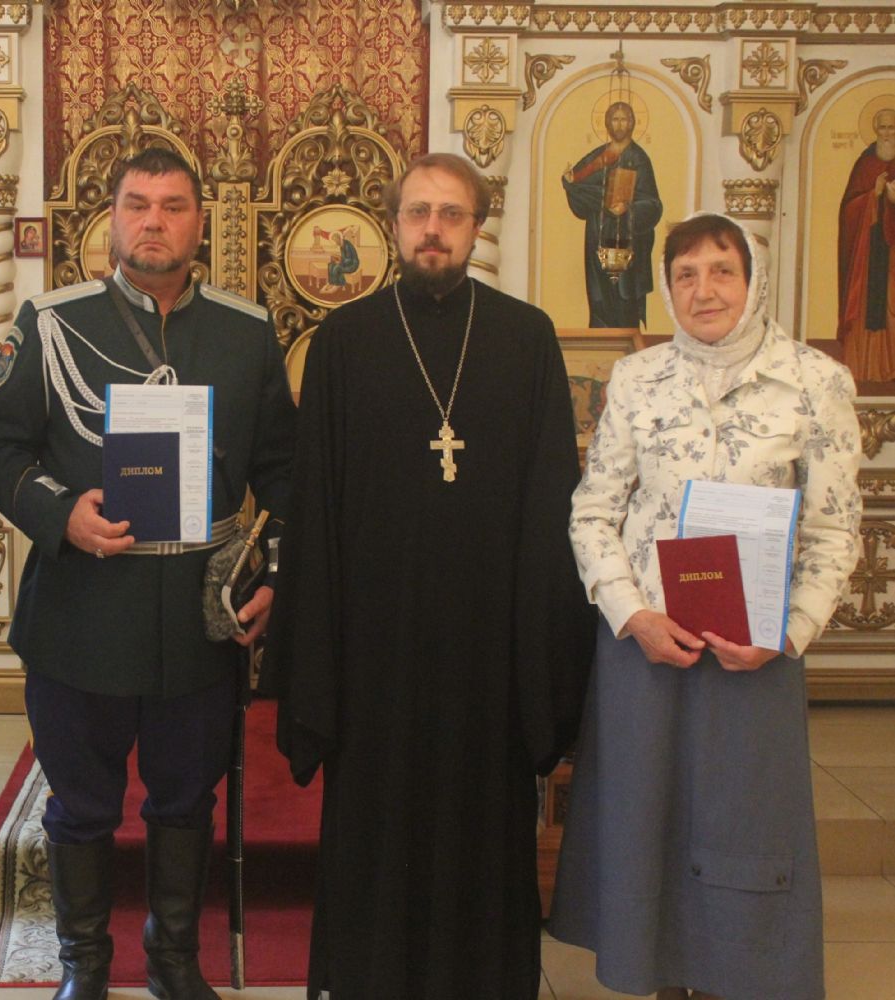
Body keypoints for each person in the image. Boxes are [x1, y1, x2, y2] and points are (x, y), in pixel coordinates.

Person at [264, 151, 595, 1000]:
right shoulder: (344, 342)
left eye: (451, 214)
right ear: (393, 226)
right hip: (374, 649)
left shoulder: (524, 338)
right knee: (376, 824)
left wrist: (541, 656)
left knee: (482, 822)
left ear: (476, 227)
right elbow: (316, 508)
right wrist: (319, 659)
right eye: (417, 213)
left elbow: (551, 502)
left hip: (488, 646)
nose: (433, 230)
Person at [0, 147, 294, 1000]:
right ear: (111, 218)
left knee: (185, 801)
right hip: (82, 610)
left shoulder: (246, 331)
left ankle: (173, 961)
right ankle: (83, 963)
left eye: (173, 206)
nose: (154, 220)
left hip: (198, 614)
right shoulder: (50, 322)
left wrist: (276, 572)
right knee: (80, 804)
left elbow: (286, 469)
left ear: (199, 223)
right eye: (138, 204)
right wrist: (59, 513)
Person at [551, 213, 863, 1000]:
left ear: (752, 280)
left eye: (721, 270)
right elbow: (593, 512)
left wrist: (785, 633)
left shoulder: (814, 381)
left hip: (754, 655)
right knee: (646, 826)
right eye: (684, 274)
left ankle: (737, 978)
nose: (703, 290)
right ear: (665, 288)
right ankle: (657, 981)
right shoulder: (637, 378)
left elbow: (834, 531)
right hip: (646, 651)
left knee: (741, 829)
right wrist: (631, 615)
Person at [563, 100, 664, 328]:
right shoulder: (598, 156)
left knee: (622, 300)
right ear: (608, 123)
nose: (619, 124)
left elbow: (652, 203)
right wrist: (570, 181)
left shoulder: (639, 158)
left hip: (627, 239)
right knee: (599, 297)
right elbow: (577, 183)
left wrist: (628, 209)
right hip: (597, 236)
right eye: (615, 119)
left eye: (624, 119)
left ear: (632, 123)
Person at [836, 105, 895, 381]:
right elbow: (848, 208)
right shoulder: (865, 164)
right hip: (869, 252)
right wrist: (874, 195)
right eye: (883, 127)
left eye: (892, 128)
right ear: (875, 130)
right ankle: (868, 368)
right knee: (870, 306)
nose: (887, 134)